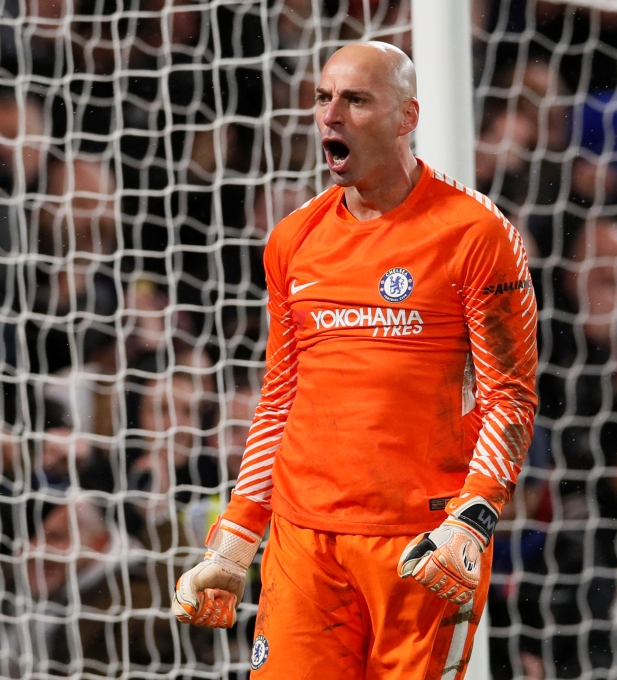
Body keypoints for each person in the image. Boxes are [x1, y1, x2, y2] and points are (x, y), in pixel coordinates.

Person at [170, 41, 538, 678]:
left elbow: (511, 396)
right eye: (322, 98)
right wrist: (234, 542)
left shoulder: (475, 234)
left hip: (422, 545)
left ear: (406, 116)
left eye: (355, 99)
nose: (330, 115)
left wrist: (471, 520)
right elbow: (280, 398)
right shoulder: (293, 240)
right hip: (303, 541)